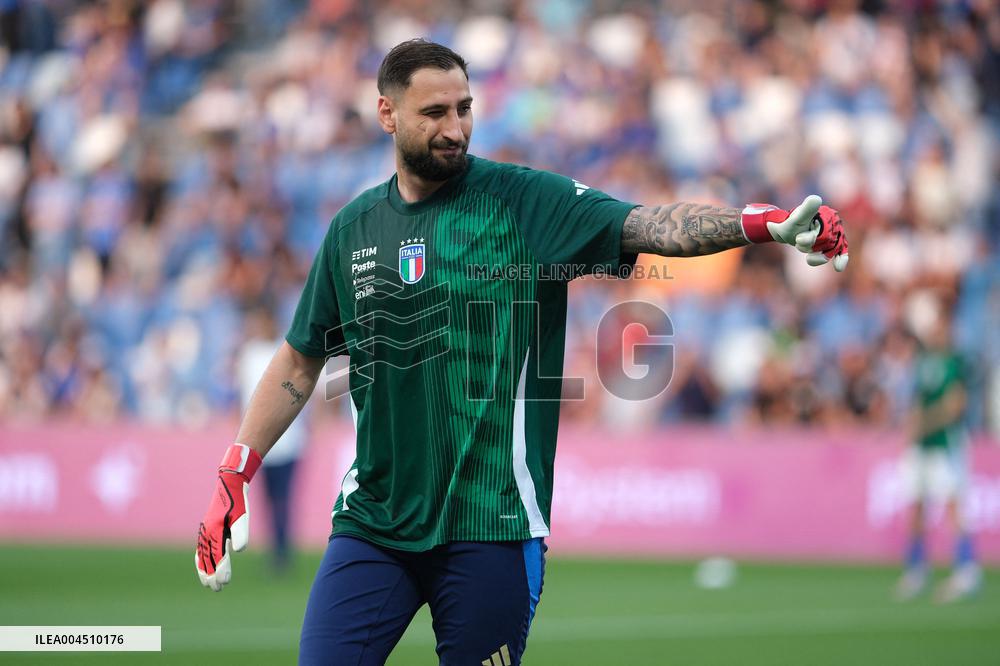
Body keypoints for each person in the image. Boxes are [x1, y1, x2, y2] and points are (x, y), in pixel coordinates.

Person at [195, 39, 849, 665]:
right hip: (374, 522)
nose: (455, 127)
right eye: (435, 113)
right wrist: (235, 471)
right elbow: (301, 358)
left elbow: (649, 225)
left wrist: (760, 225)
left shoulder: (524, 203)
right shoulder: (353, 228)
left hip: (493, 526)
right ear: (386, 114)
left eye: (464, 108)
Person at [894, 315, 981, 602]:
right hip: (922, 446)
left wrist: (924, 423)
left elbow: (955, 406)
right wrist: (913, 423)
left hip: (945, 444)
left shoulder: (955, 363)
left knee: (953, 505)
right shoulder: (922, 363)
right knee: (917, 504)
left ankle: (966, 569)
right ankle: (917, 568)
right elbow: (919, 400)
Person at [235, 306, 308, 573]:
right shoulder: (249, 353)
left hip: (289, 441)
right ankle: (274, 548)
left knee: (284, 498)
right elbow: (245, 397)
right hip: (261, 443)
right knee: (267, 497)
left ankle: (282, 550)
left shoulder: (286, 351)